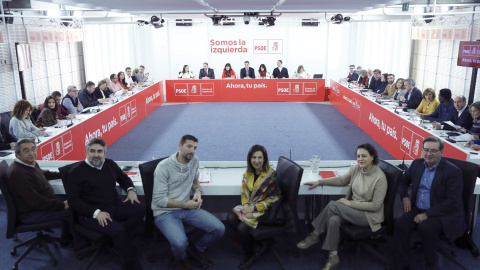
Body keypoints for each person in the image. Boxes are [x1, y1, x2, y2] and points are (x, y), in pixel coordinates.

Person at [297, 143, 387, 270]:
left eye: (364, 156)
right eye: (358, 156)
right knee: (333, 220)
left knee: (333, 205)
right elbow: (342, 180)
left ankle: (315, 234)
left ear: (373, 157)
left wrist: (349, 203)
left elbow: (376, 206)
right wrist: (319, 182)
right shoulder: (357, 169)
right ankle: (333, 257)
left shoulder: (379, 178)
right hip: (353, 211)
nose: (360, 159)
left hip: (368, 216)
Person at [64, 138, 144, 270]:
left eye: (100, 151)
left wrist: (131, 190)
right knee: (118, 230)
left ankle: (121, 243)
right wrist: (96, 213)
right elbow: (73, 201)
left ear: (105, 153)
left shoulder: (110, 164)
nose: (96, 155)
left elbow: (123, 178)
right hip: (90, 214)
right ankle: (132, 264)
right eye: (92, 151)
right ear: (86, 152)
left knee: (140, 210)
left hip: (114, 205)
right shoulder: (76, 172)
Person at [152, 135, 225, 270]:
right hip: (164, 212)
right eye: (189, 146)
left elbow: (195, 179)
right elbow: (159, 200)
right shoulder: (163, 167)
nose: (192, 151)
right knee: (180, 243)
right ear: (179, 146)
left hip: (186, 207)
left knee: (219, 229)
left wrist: (197, 191)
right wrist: (186, 205)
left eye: (195, 148)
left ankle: (198, 248)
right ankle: (181, 259)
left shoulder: (194, 160)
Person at [394, 137, 464, 270]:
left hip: (441, 212)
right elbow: (403, 181)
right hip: (418, 207)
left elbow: (453, 202)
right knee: (401, 224)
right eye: (425, 150)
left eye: (433, 150)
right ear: (421, 150)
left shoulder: (453, 172)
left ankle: (431, 265)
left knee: (426, 227)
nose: (428, 154)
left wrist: (428, 214)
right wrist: (404, 197)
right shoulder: (417, 164)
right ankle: (401, 265)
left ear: (441, 152)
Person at [226, 145, 282, 267]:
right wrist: (246, 206)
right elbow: (244, 192)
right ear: (249, 159)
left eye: (260, 158)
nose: (256, 161)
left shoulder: (271, 176)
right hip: (250, 207)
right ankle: (252, 241)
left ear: (265, 159)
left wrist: (253, 209)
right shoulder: (248, 172)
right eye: (254, 157)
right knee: (230, 218)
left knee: (242, 228)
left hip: (265, 211)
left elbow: (274, 199)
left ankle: (249, 253)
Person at [6, 138, 70, 242]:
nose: (31, 153)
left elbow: (43, 174)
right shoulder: (18, 173)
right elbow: (35, 202)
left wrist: (66, 174)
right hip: (31, 213)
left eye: (33, 149)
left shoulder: (29, 163)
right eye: (26, 151)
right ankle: (67, 241)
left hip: (40, 204)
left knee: (71, 198)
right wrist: (62, 205)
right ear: (17, 154)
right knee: (72, 209)